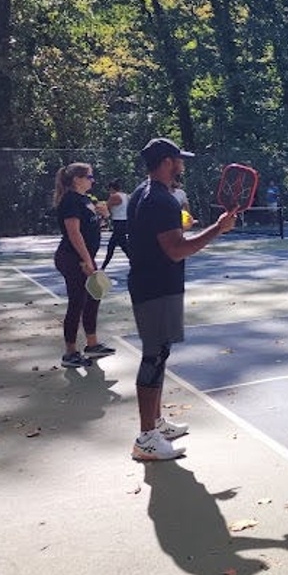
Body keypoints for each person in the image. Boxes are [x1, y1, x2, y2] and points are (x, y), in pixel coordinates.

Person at [128, 137, 237, 461]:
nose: (182, 165)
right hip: (156, 288)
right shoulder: (162, 201)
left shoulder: (143, 193)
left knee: (159, 353)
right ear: (166, 162)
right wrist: (218, 229)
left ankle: (156, 424)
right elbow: (176, 250)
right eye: (179, 160)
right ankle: (146, 437)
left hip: (155, 285)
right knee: (154, 355)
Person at [53, 162, 114, 369]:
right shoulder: (70, 200)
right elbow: (74, 233)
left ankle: (92, 344)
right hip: (72, 258)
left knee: (94, 297)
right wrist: (86, 261)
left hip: (85, 257)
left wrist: (105, 215)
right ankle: (70, 352)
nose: (92, 180)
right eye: (89, 177)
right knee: (77, 302)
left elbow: (97, 227)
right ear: (77, 179)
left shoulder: (86, 200)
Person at [100, 180, 130, 270]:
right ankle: (103, 267)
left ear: (112, 188)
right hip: (125, 222)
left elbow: (106, 207)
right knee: (120, 245)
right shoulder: (126, 196)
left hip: (118, 222)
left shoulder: (114, 196)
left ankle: (103, 268)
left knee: (115, 246)